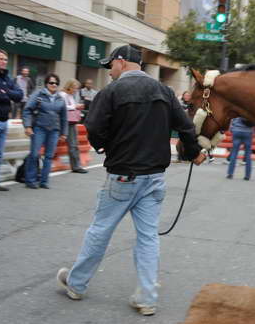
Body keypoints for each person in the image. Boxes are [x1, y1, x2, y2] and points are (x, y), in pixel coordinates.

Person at [56, 45, 206, 316]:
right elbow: (185, 126)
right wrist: (194, 153)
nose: (109, 70)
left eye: (110, 65)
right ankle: (147, 297)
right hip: (155, 177)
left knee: (100, 230)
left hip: (122, 174)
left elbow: (93, 128)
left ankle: (76, 284)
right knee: (148, 237)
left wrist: (105, 147)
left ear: (122, 62)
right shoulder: (164, 91)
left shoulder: (111, 92)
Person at [22, 74, 68, 189]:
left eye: (56, 83)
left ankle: (44, 181)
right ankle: (30, 180)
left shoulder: (60, 99)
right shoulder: (38, 95)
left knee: (49, 156)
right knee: (34, 154)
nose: (54, 85)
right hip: (39, 128)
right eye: (51, 83)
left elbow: (63, 117)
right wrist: (27, 126)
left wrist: (64, 133)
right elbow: (27, 110)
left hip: (54, 131)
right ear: (46, 84)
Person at [0, 49, 23, 191]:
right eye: (1, 59)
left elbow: (19, 95)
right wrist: (7, 94)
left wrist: (5, 91)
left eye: (5, 59)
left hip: (4, 121)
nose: (4, 61)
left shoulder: (7, 77)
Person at [60, 79, 88, 174]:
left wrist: (76, 106)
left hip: (72, 122)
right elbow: (63, 107)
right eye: (75, 88)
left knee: (74, 145)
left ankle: (76, 165)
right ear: (70, 87)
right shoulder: (63, 95)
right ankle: (76, 166)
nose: (76, 90)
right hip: (66, 122)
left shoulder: (70, 95)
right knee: (73, 145)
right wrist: (75, 107)